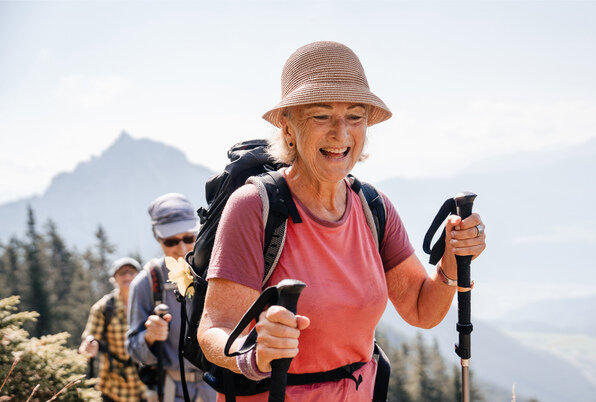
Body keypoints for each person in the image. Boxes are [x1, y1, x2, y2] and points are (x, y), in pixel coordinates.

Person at [197, 41, 486, 401]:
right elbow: (214, 328)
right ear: (288, 127)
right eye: (320, 115)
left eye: (354, 116)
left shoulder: (373, 207)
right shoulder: (255, 207)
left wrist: (451, 262)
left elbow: (421, 309)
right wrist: (254, 355)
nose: (341, 133)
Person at [126, 193, 216, 402]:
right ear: (158, 239)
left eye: (188, 238)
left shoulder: (217, 273)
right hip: (172, 392)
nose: (182, 248)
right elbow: (133, 349)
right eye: (171, 241)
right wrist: (149, 337)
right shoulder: (147, 282)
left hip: (216, 389)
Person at [79, 257, 146, 402]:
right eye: (122, 273)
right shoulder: (103, 307)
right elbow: (90, 337)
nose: (127, 276)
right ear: (114, 278)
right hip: (113, 385)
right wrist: (90, 345)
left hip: (145, 383)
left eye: (131, 272)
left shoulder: (147, 303)